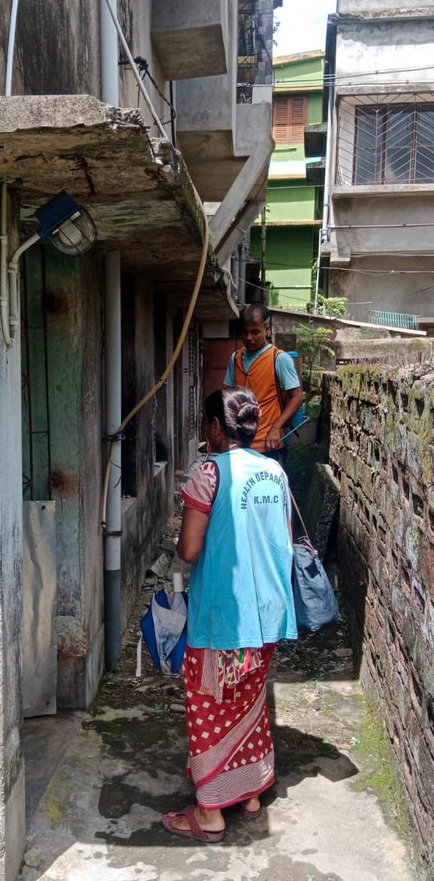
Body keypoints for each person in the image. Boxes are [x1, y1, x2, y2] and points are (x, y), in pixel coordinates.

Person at [161, 387, 297, 843]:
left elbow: (190, 549)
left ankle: (210, 813)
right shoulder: (275, 474)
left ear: (217, 427)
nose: (204, 431)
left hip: (224, 617)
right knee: (248, 703)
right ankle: (251, 793)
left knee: (208, 707)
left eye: (205, 423)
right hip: (268, 616)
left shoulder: (207, 474)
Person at [223, 305, 303, 464]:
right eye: (245, 332)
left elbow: (297, 397)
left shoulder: (278, 359)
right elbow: (227, 395)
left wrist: (276, 428)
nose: (249, 338)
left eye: (255, 332)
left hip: (269, 445)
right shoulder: (235, 358)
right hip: (239, 446)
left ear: (267, 329)